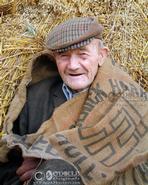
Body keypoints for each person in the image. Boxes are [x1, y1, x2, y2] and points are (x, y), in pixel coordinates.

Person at [0, 17, 147, 185]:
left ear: (101, 55)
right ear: (55, 58)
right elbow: (8, 163)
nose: (73, 65)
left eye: (82, 54)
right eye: (64, 56)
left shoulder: (127, 97)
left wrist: (58, 172)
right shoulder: (36, 97)